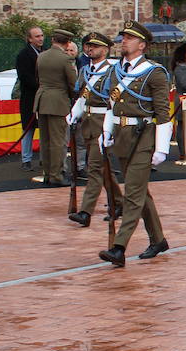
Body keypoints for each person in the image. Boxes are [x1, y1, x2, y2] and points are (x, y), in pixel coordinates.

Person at [98, 21, 173, 268]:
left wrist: (162, 147)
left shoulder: (154, 72)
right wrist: (106, 132)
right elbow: (111, 105)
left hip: (145, 135)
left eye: (129, 38)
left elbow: (163, 112)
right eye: (123, 37)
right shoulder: (116, 71)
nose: (123, 41)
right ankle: (158, 239)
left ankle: (119, 247)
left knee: (132, 191)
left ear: (142, 45)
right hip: (122, 134)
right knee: (140, 191)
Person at [66, 32, 117, 228]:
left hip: (103, 119)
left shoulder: (112, 71)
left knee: (94, 167)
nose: (90, 49)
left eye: (95, 46)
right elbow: (82, 96)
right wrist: (74, 114)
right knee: (101, 167)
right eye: (88, 46)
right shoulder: (85, 70)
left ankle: (85, 211)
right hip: (88, 121)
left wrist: (110, 128)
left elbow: (113, 100)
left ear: (105, 49)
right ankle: (118, 203)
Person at [34, 28, 77, 186]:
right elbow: (73, 84)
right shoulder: (65, 59)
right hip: (58, 101)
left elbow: (38, 77)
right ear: (67, 43)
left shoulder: (41, 56)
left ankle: (47, 173)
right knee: (58, 141)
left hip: (42, 99)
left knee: (45, 140)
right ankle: (56, 174)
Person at [15, 25, 43, 170]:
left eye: (41, 35)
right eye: (37, 36)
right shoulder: (23, 55)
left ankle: (44, 158)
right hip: (29, 98)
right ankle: (26, 159)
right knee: (28, 129)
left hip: (44, 99)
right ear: (30, 39)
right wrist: (40, 85)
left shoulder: (44, 53)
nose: (40, 39)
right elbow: (24, 76)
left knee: (45, 128)